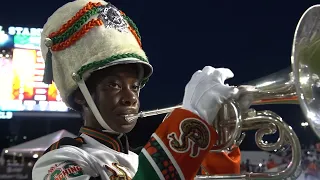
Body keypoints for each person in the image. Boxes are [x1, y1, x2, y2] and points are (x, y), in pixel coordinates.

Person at [32, 0, 250, 179]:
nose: (130, 98)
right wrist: (190, 122)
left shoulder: (141, 159)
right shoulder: (58, 161)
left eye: (135, 87)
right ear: (80, 95)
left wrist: (220, 141)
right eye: (113, 85)